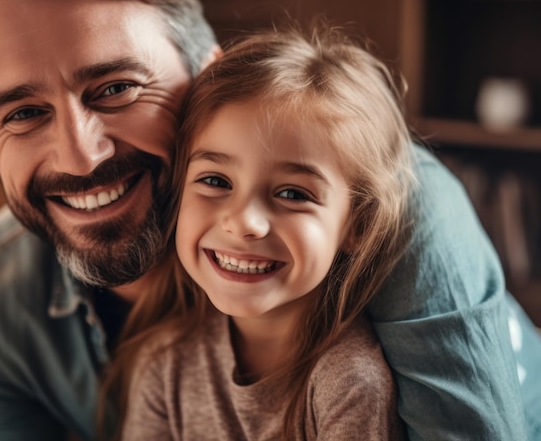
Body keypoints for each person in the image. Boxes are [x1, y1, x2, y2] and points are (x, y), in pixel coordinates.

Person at [0, 0, 541, 440]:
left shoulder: (395, 206)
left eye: (116, 88)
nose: (81, 157)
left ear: (208, 77)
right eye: (23, 113)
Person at [108, 23, 411, 440]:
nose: (244, 222)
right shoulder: (164, 362)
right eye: (215, 181)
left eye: (292, 193)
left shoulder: (349, 384)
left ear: (356, 224)